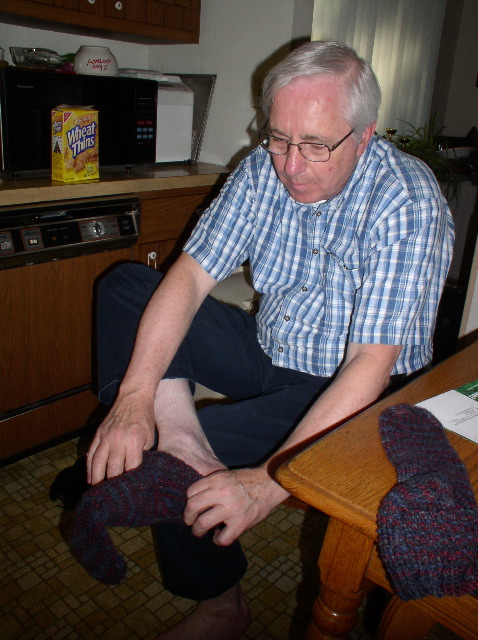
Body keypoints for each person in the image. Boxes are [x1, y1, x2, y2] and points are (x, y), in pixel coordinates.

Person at [86, 41, 454, 639]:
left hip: (360, 390)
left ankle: (218, 608)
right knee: (128, 286)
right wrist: (135, 396)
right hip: (272, 347)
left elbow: (369, 365)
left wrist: (268, 482)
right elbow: (189, 277)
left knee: (180, 481)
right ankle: (180, 435)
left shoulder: (406, 201)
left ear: (365, 135)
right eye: (279, 138)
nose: (291, 165)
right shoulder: (264, 168)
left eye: (316, 146)